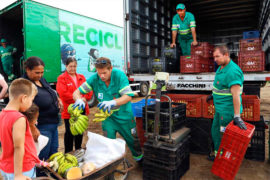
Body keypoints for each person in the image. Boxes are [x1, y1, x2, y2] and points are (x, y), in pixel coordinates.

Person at [72, 57, 143, 162]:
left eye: (104, 73)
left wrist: (113, 102)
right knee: (108, 143)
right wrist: (78, 99)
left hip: (124, 116)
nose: (102, 76)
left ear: (111, 69)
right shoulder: (94, 79)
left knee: (133, 141)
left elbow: (128, 96)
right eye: (99, 73)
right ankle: (112, 164)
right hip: (107, 118)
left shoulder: (119, 76)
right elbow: (76, 92)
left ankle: (139, 159)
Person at [208, 45, 247, 161]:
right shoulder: (221, 67)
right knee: (215, 132)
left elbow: (236, 96)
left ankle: (225, 160)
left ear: (226, 55)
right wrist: (213, 95)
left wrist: (237, 116)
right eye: (214, 57)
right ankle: (218, 155)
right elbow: (221, 86)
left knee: (224, 137)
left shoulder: (233, 72)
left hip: (227, 112)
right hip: (220, 110)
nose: (215, 59)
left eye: (217, 56)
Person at [22, 56, 62, 162]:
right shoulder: (24, 84)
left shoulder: (41, 80)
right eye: (37, 72)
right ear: (28, 70)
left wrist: (57, 99)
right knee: (42, 158)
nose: (40, 75)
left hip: (53, 124)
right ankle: (41, 177)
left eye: (42, 72)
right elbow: (23, 109)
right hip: (41, 127)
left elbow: (50, 91)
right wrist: (32, 127)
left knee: (53, 154)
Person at [0, 78, 40, 179]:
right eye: (31, 100)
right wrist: (18, 175)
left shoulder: (2, 114)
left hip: (6, 167)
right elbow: (18, 147)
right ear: (24, 98)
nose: (31, 103)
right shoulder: (19, 118)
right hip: (21, 170)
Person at [56, 57, 93, 153]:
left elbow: (89, 91)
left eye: (74, 66)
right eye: (70, 66)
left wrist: (84, 99)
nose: (72, 68)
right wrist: (78, 99)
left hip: (82, 109)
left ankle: (78, 150)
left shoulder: (81, 77)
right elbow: (63, 94)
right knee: (69, 132)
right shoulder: (61, 78)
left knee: (80, 131)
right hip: (70, 110)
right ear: (66, 66)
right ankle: (68, 153)